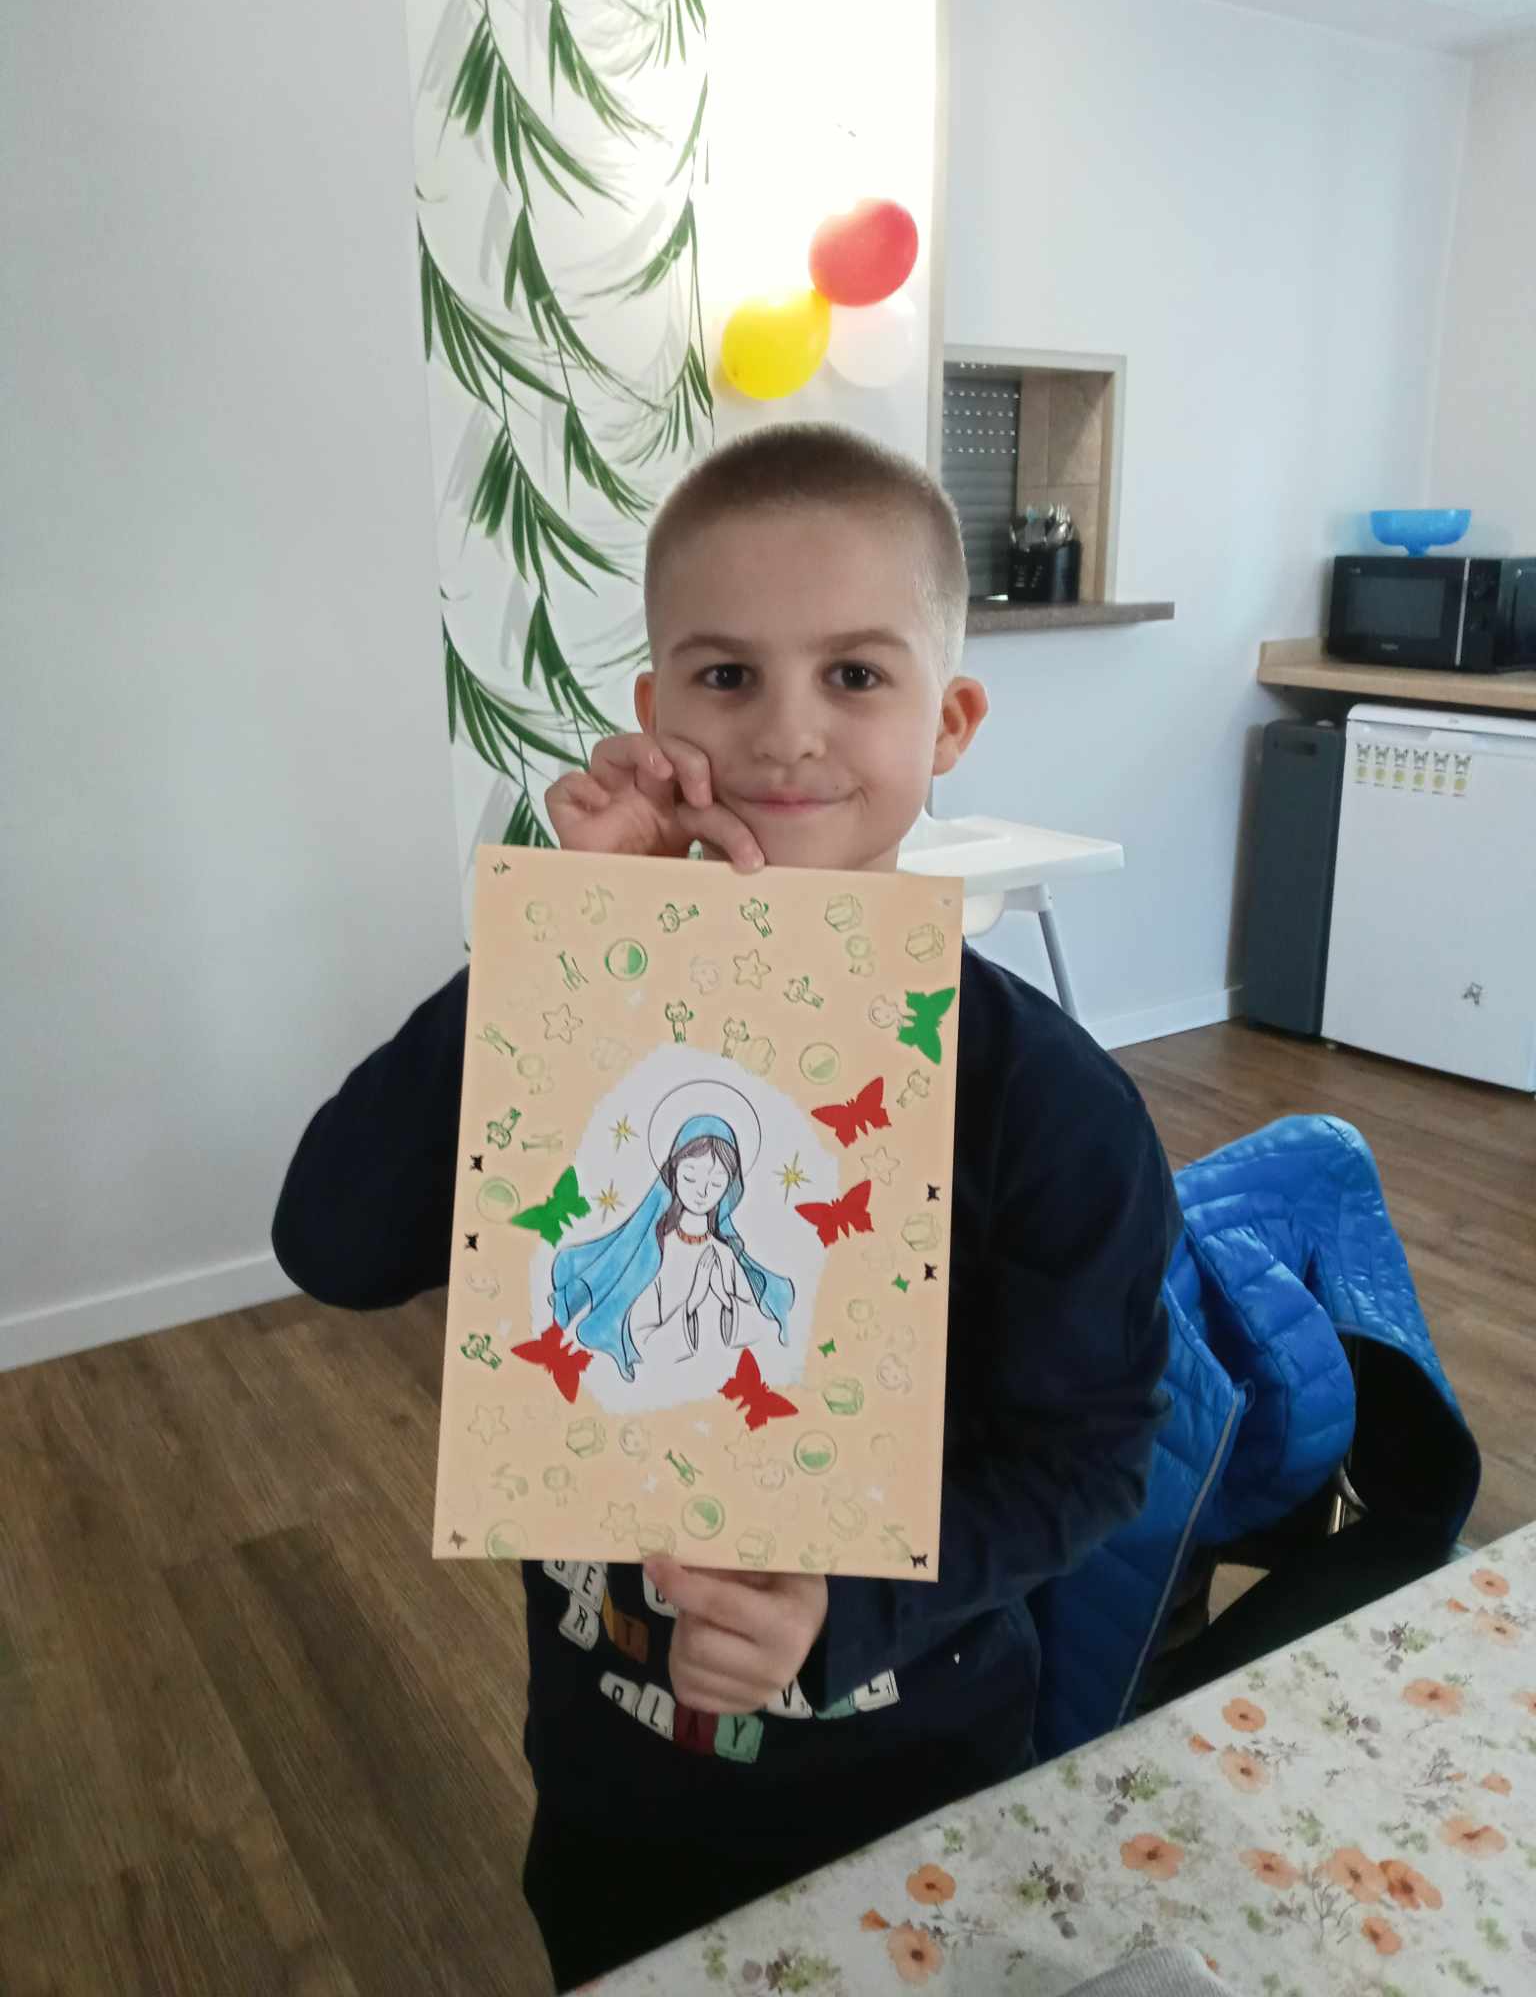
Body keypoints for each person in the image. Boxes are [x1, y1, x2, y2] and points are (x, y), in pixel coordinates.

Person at [271, 422, 1181, 1991]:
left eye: (855, 674)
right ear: (654, 711)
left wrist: (846, 1607)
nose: (785, 733)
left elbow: (1091, 1460)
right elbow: (333, 1243)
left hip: (913, 1779)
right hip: (613, 1779)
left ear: (951, 718)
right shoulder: (578, 1021)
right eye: (726, 675)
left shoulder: (1049, 1106)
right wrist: (562, 941)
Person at [552, 1112, 793, 1378]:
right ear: (673, 1174)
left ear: (729, 1186)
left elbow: (763, 1334)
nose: (702, 1192)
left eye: (716, 1182)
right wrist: (690, 1306)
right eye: (690, 1177)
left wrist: (726, 1301)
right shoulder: (655, 1253)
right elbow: (640, 1342)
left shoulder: (725, 1255)